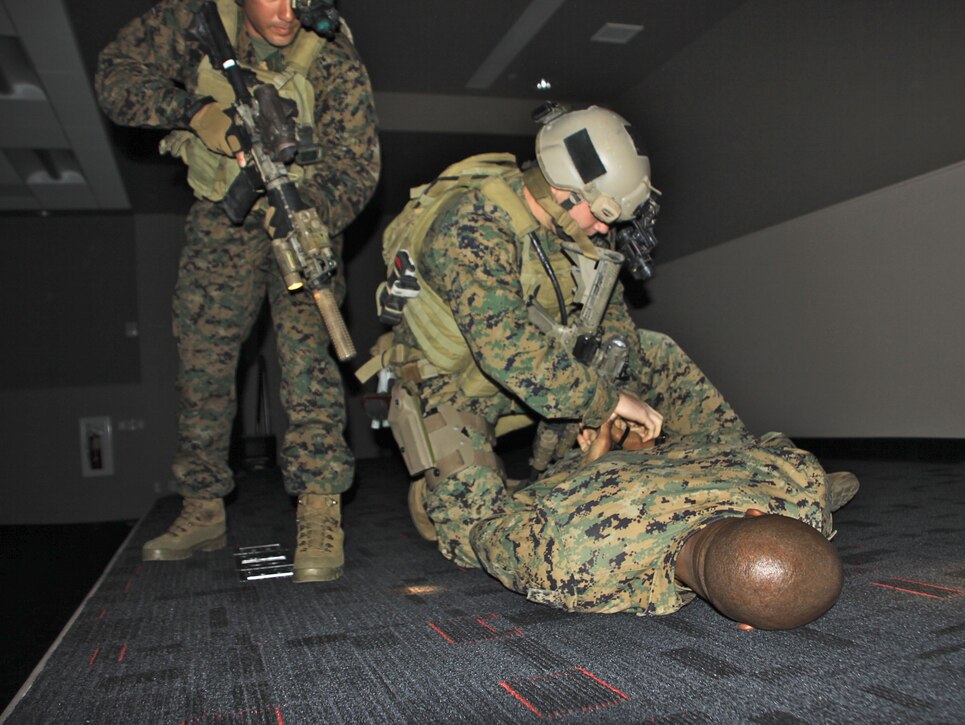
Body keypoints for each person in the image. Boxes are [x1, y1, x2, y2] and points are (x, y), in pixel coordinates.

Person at [373, 104, 780, 569]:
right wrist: (603, 402)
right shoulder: (472, 225)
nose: (607, 229)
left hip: (543, 375)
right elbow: (508, 352)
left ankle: (754, 476)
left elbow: (612, 321)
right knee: (483, 542)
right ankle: (445, 491)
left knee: (655, 352)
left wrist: (611, 392)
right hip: (453, 387)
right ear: (564, 188)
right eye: (603, 214)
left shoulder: (573, 225)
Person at [95, 0, 380, 582]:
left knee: (311, 362)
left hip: (301, 217)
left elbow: (358, 164)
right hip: (221, 220)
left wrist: (311, 209)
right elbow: (116, 76)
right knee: (203, 361)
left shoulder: (331, 50)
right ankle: (201, 507)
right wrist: (193, 112)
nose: (286, 11)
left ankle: (320, 508)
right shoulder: (197, 20)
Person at [470, 417, 853, 628]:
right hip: (632, 451)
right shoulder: (572, 566)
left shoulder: (802, 492)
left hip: (610, 450)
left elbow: (772, 439)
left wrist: (592, 459)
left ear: (757, 515)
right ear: (744, 624)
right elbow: (491, 530)